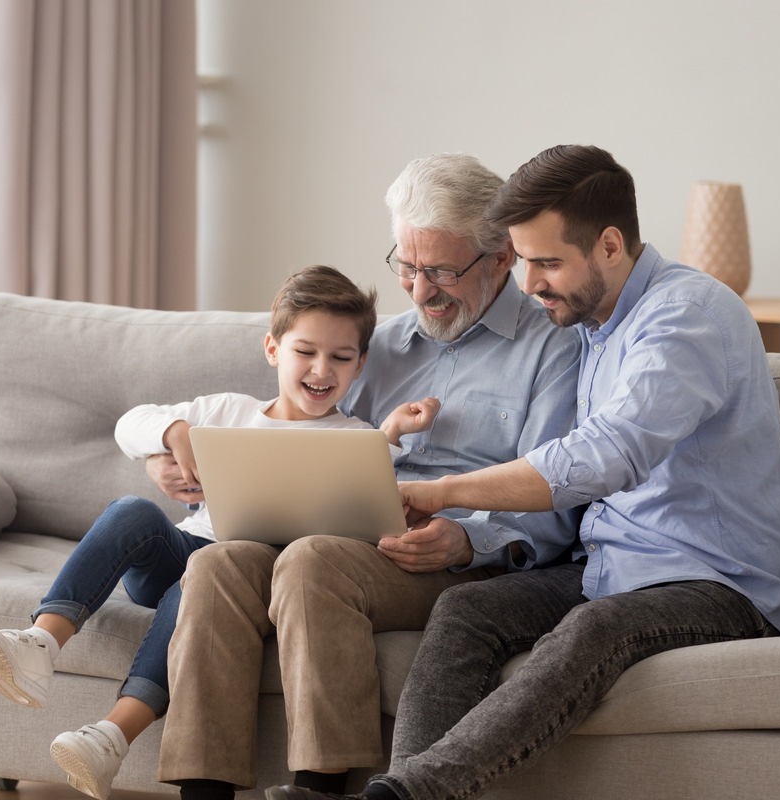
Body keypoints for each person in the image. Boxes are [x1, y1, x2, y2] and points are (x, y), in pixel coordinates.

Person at [265, 145, 780, 800]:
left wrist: (439, 493)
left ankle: (403, 795)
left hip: (716, 583)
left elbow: (605, 455)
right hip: (607, 568)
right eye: (523, 261)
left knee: (593, 630)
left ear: (610, 246)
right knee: (466, 611)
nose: (528, 283)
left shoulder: (685, 318)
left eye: (546, 262)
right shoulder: (589, 323)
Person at [148, 153, 583, 800]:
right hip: (340, 530)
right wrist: (177, 451)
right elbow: (295, 430)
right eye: (406, 266)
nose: (418, 289)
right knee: (217, 564)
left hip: (449, 556)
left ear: (500, 261)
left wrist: (465, 540)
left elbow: (554, 500)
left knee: (312, 563)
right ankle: (200, 792)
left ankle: (320, 789)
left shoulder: (553, 350)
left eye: (439, 270)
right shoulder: (377, 345)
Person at [0, 265, 440, 800]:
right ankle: (42, 640)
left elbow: (368, 517)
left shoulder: (356, 437)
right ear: (272, 349)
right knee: (132, 512)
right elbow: (131, 423)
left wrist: (390, 439)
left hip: (249, 578)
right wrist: (172, 433)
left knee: (203, 582)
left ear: (361, 364)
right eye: (305, 351)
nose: (321, 369)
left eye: (340, 357)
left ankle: (109, 735)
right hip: (188, 547)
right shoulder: (225, 411)